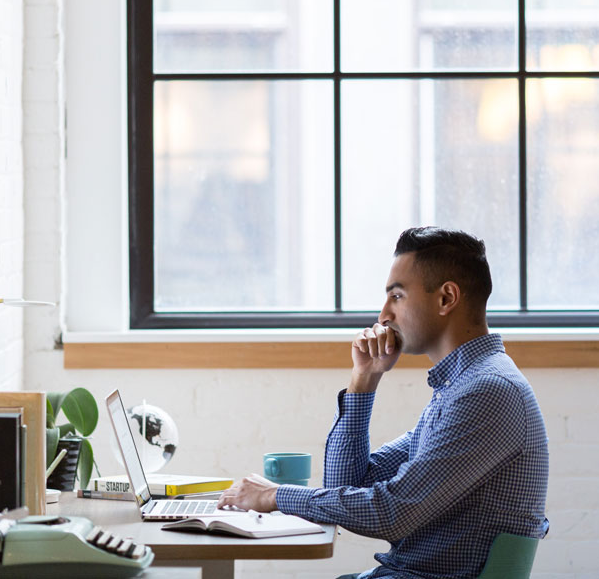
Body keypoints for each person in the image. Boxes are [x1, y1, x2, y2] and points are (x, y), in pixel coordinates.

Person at [218, 227, 550, 578]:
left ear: (446, 298)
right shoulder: (458, 388)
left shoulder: (486, 392)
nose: (383, 315)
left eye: (397, 296)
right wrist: (364, 379)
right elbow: (345, 486)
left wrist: (275, 496)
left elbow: (392, 513)